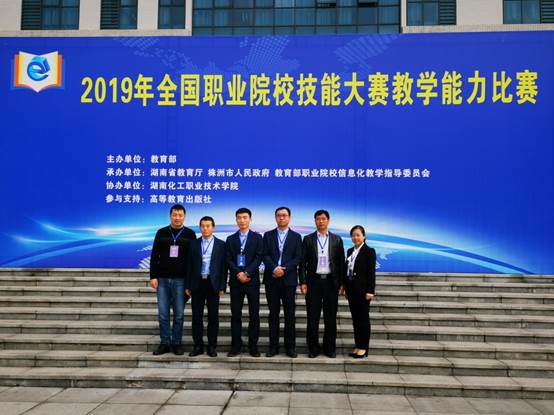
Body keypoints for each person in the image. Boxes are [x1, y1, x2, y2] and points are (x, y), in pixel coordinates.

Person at [149, 204, 197, 356]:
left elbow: (193, 260)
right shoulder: (161, 232)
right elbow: (154, 256)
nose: (177, 218)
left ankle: (176, 343)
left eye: (180, 215)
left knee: (179, 314)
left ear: (184, 216)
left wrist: (190, 282)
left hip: (181, 280)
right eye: (174, 215)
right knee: (163, 314)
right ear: (170, 216)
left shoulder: (190, 234)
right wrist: (153, 276)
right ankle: (164, 343)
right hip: (162, 279)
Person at [299, 209, 345, 358]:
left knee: (330, 317)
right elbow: (302, 263)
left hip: (331, 282)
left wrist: (342, 283)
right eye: (318, 219)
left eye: (323, 219)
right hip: (314, 282)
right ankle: (313, 348)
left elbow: (341, 263)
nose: (321, 221)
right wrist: (303, 282)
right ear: (315, 221)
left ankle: (329, 348)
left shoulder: (337, 239)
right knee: (313, 317)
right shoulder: (308, 239)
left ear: (328, 220)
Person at [262, 206, 303, 358]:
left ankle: (290, 347)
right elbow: (264, 255)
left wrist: (284, 269)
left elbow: (298, 257)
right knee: (273, 314)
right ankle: (273, 347)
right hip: (271, 279)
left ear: (289, 217)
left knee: (289, 315)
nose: (281, 218)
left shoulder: (296, 237)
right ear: (275, 217)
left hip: (288, 280)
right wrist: (274, 268)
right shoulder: (267, 235)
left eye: (284, 215)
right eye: (279, 215)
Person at [185, 216, 227, 357]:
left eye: (208, 226)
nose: (205, 228)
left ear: (213, 227)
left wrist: (222, 286)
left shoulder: (221, 245)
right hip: (197, 283)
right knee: (196, 317)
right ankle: (198, 346)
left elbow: (223, 267)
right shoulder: (193, 244)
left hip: (213, 284)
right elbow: (189, 266)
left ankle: (212, 346)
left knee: (213, 317)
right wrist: (187, 285)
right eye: (202, 226)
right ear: (200, 228)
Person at [225, 207, 264, 357]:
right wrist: (238, 273)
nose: (242, 220)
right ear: (236, 220)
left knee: (254, 315)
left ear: (250, 219)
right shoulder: (230, 239)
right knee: (236, 315)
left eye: (245, 217)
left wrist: (247, 272)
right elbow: (228, 259)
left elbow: (258, 257)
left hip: (252, 281)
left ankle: (253, 346)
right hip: (236, 282)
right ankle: (236, 346)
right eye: (239, 218)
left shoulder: (257, 238)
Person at [344, 225, 376, 358]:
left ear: (364, 236)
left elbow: (371, 273)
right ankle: (357, 345)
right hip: (351, 290)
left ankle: (363, 347)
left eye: (358, 235)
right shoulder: (350, 251)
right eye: (353, 235)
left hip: (363, 291)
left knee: (363, 319)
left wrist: (370, 290)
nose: (355, 237)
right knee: (355, 319)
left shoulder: (369, 251)